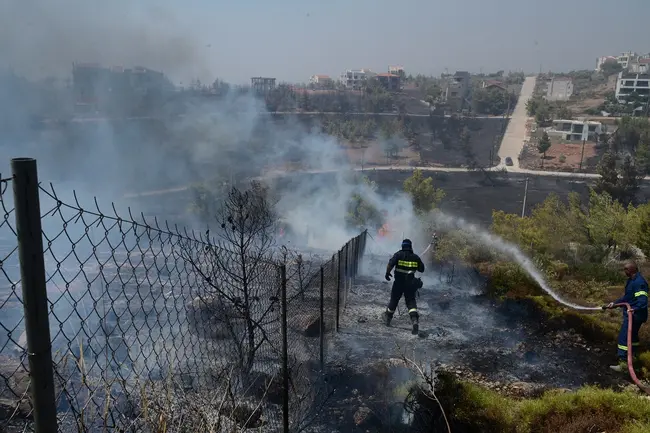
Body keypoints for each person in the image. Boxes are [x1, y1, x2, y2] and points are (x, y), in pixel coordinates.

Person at [606, 261, 648, 372]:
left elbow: (643, 301)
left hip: (635, 315)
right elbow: (627, 298)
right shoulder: (631, 281)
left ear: (632, 270)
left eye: (626, 269)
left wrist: (634, 309)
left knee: (624, 337)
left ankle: (623, 363)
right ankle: (633, 357)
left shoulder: (639, 282)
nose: (624, 271)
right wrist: (614, 303)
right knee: (633, 337)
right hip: (632, 314)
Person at [383, 239, 425, 335]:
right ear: (410, 247)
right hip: (410, 284)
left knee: (394, 300)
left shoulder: (398, 255)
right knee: (411, 302)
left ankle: (388, 318)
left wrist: (387, 273)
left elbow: (390, 264)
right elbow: (422, 269)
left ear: (402, 246)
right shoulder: (415, 257)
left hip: (398, 283)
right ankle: (414, 321)